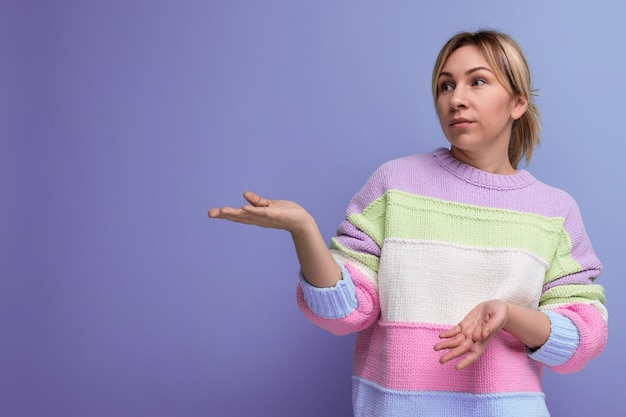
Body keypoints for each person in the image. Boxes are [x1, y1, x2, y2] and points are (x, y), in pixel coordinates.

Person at [208, 30, 608, 417]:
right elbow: (344, 311)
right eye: (445, 86)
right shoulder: (395, 185)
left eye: (478, 82)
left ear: (518, 103)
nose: (457, 100)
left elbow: (582, 339)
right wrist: (303, 230)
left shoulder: (555, 211)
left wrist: (510, 315)